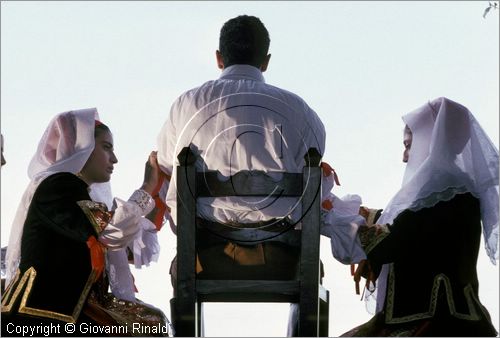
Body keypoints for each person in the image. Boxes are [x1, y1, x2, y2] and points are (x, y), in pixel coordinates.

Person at [156, 14, 366, 335]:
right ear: (266, 61)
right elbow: (312, 186)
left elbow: (169, 173)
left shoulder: (187, 105)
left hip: (206, 254)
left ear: (218, 58)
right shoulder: (301, 111)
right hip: (284, 255)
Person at [1, 108, 170, 336]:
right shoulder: (58, 186)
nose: (115, 159)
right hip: (40, 314)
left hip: (71, 311)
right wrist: (147, 188)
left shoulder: (79, 193)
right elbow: (109, 235)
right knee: (149, 325)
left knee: (151, 323)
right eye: (107, 147)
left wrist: (155, 191)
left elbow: (124, 245)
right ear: (84, 149)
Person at [342, 97, 498, 337]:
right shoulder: (454, 189)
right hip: (459, 316)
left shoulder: (441, 192)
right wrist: (368, 214)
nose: (405, 157)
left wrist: (341, 219)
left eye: (409, 145)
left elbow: (390, 244)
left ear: (430, 142)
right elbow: (414, 230)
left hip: (434, 320)